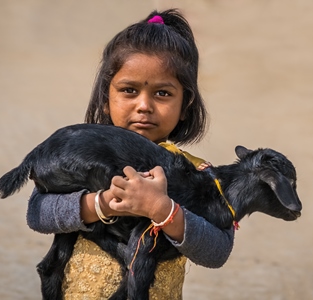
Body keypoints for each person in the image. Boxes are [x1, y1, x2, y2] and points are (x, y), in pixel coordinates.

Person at [27, 9, 235, 299]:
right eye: (129, 90)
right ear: (105, 98)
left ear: (186, 104)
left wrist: (162, 210)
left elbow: (218, 250)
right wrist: (103, 203)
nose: (144, 105)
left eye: (162, 93)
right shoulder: (86, 158)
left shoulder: (197, 175)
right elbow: (38, 213)